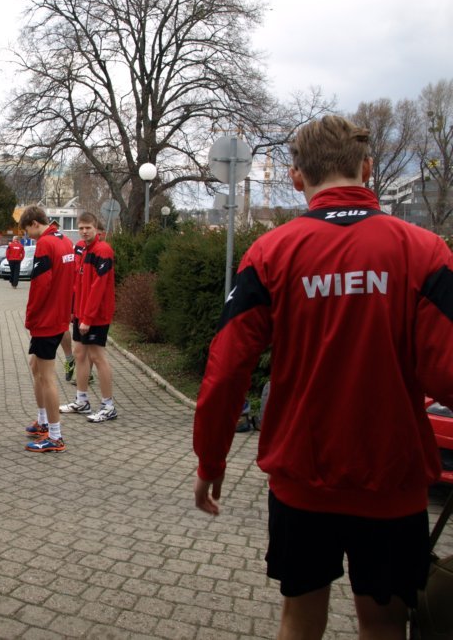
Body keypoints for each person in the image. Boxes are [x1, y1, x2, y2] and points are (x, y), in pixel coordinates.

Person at [193, 115, 453, 639]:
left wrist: (211, 459)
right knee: (384, 622)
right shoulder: (424, 251)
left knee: (300, 614)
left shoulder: (270, 253)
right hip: (393, 481)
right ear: (368, 169)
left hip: (302, 480)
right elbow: (446, 374)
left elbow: (226, 370)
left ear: (296, 178)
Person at [19, 207, 76, 452]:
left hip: (46, 320)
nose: (28, 236)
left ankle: (54, 436)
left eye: (27, 231)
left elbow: (40, 285)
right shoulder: (65, 242)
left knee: (46, 377)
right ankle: (43, 421)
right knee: (36, 367)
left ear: (34, 223)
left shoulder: (45, 244)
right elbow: (72, 280)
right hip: (59, 317)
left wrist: (30, 316)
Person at [60, 212, 117, 422]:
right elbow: (77, 283)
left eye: (88, 228)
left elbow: (98, 287)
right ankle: (82, 401)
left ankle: (108, 406)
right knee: (79, 353)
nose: (84, 231)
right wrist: (74, 310)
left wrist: (88, 318)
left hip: (96, 316)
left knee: (97, 357)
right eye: (81, 228)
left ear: (97, 229)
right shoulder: (83, 249)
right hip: (81, 313)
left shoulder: (103, 251)